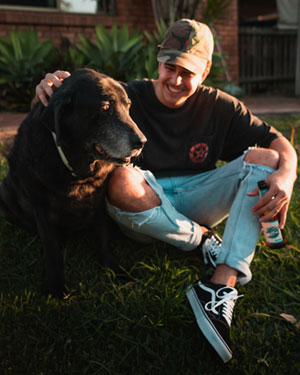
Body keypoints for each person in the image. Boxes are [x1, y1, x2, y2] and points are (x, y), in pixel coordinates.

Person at [32, 19, 297, 363]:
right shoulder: (125, 96)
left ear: (205, 71)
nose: (174, 79)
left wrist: (287, 175)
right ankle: (203, 241)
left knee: (268, 159)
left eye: (187, 71)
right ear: (158, 61)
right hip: (141, 205)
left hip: (197, 196)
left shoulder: (221, 106)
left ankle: (220, 283)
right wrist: (49, 86)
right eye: (169, 66)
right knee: (121, 179)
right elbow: (69, 110)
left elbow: (278, 144)